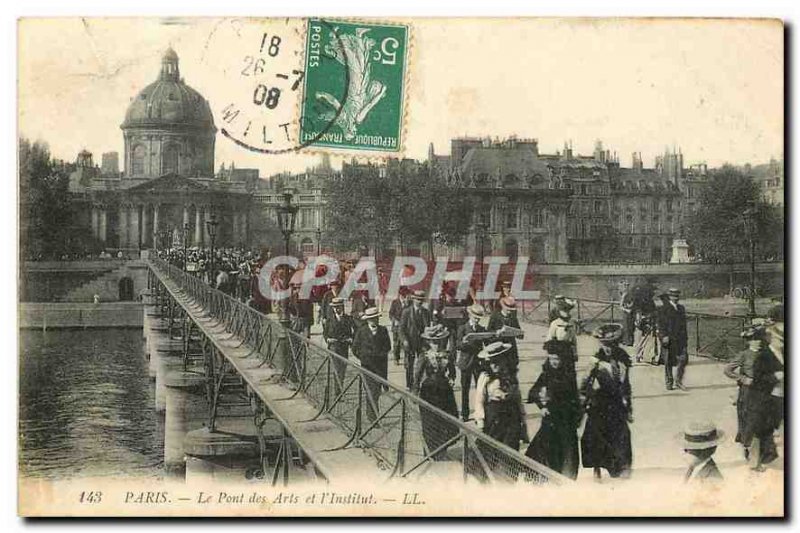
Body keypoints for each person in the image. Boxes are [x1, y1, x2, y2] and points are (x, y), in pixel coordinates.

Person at [581, 323, 633, 480]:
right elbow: (584, 382)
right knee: (596, 436)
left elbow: (626, 384)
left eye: (611, 345)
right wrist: (584, 400)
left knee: (621, 434)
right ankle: (596, 469)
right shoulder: (595, 360)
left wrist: (628, 406)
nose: (608, 348)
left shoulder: (623, 359)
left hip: (617, 402)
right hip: (600, 402)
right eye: (605, 345)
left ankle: (620, 467)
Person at [525, 339, 581, 479]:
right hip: (550, 421)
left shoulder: (568, 375)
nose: (554, 362)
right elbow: (533, 392)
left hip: (566, 421)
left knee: (567, 458)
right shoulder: (547, 372)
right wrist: (542, 404)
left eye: (556, 358)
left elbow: (573, 398)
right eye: (551, 358)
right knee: (547, 455)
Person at [414, 324, 459, 460]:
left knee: (445, 422)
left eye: (438, 342)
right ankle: (430, 452)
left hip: (445, 392)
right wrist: (415, 392)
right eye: (433, 342)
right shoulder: (424, 356)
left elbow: (452, 371)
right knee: (430, 422)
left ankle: (442, 450)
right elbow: (417, 375)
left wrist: (451, 378)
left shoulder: (446, 355)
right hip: (429, 392)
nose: (435, 345)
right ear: (428, 342)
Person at [724, 324, 767, 462]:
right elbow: (727, 370)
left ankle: (757, 450)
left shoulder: (766, 354)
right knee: (748, 421)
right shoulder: (744, 355)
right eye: (754, 339)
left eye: (759, 338)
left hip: (762, 392)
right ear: (749, 341)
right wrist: (742, 378)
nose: (758, 341)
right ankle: (746, 446)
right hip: (748, 393)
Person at [474, 341, 528, 451]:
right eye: (491, 362)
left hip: (512, 417)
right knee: (492, 450)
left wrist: (523, 421)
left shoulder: (511, 376)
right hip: (494, 418)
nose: (493, 365)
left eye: (497, 362)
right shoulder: (485, 377)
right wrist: (480, 423)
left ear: (504, 360)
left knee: (511, 449)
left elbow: (518, 399)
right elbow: (479, 400)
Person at [352, 307, 391, 422]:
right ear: (368, 320)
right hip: (367, 368)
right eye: (372, 319)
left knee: (376, 393)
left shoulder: (383, 330)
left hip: (380, 368)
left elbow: (388, 347)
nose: (375, 321)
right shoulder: (362, 331)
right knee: (371, 392)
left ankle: (372, 414)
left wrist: (380, 355)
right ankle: (373, 418)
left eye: (376, 319)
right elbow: (355, 348)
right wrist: (364, 358)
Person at [455, 304, 488, 421]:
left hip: (478, 362)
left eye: (479, 318)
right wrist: (464, 342)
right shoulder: (462, 328)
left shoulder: (481, 329)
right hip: (466, 362)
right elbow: (457, 345)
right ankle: (465, 413)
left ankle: (480, 413)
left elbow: (488, 340)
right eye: (475, 317)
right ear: (470, 315)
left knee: (481, 389)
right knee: (465, 389)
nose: (477, 320)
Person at [400, 290, 432, 390]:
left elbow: (428, 327)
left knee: (421, 364)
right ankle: (409, 384)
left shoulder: (426, 312)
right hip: (409, 342)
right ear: (413, 299)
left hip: (422, 342)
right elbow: (401, 329)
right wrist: (404, 340)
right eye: (418, 299)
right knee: (409, 365)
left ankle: (418, 384)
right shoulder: (406, 312)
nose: (419, 302)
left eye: (421, 300)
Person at [657, 288, 688, 391]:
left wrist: (686, 338)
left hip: (680, 339)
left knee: (683, 359)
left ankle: (678, 381)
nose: (675, 298)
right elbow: (660, 324)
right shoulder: (663, 309)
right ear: (669, 297)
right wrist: (663, 336)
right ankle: (669, 382)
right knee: (668, 361)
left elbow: (684, 325)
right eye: (673, 296)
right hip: (669, 338)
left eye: (677, 296)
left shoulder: (681, 308)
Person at [323, 297, 355, 397]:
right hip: (334, 347)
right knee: (337, 369)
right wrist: (328, 339)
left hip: (344, 347)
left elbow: (354, 331)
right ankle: (338, 391)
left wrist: (351, 339)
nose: (337, 309)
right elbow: (325, 333)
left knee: (343, 369)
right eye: (335, 307)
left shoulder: (348, 319)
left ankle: (339, 388)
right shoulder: (329, 320)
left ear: (342, 307)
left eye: (339, 307)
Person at [487, 296, 524, 371]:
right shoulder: (495, 316)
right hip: (499, 348)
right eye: (508, 310)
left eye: (511, 310)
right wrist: (497, 333)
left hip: (511, 350)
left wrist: (516, 333)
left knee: (511, 373)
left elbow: (520, 335)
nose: (510, 312)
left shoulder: (513, 318)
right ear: (503, 307)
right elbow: (488, 333)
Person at [546, 308, 578, 377]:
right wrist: (551, 354)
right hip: (557, 349)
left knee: (569, 373)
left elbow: (574, 340)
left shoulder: (571, 323)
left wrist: (575, 353)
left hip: (568, 350)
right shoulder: (555, 324)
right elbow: (549, 339)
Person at [388, 288, 409, 365]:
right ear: (400, 295)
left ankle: (406, 359)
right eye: (403, 295)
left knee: (405, 342)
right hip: (396, 326)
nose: (404, 297)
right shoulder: (395, 302)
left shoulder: (409, 303)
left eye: (406, 295)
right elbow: (390, 314)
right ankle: (396, 358)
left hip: (405, 326)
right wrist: (394, 320)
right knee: (396, 343)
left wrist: (406, 305)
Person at [620, 282, 635, 347]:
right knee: (626, 327)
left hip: (631, 312)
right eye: (625, 286)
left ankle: (631, 341)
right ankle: (626, 341)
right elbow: (621, 306)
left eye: (627, 286)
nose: (626, 287)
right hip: (626, 313)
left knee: (631, 327)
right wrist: (626, 310)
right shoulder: (624, 295)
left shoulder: (631, 294)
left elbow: (633, 302)